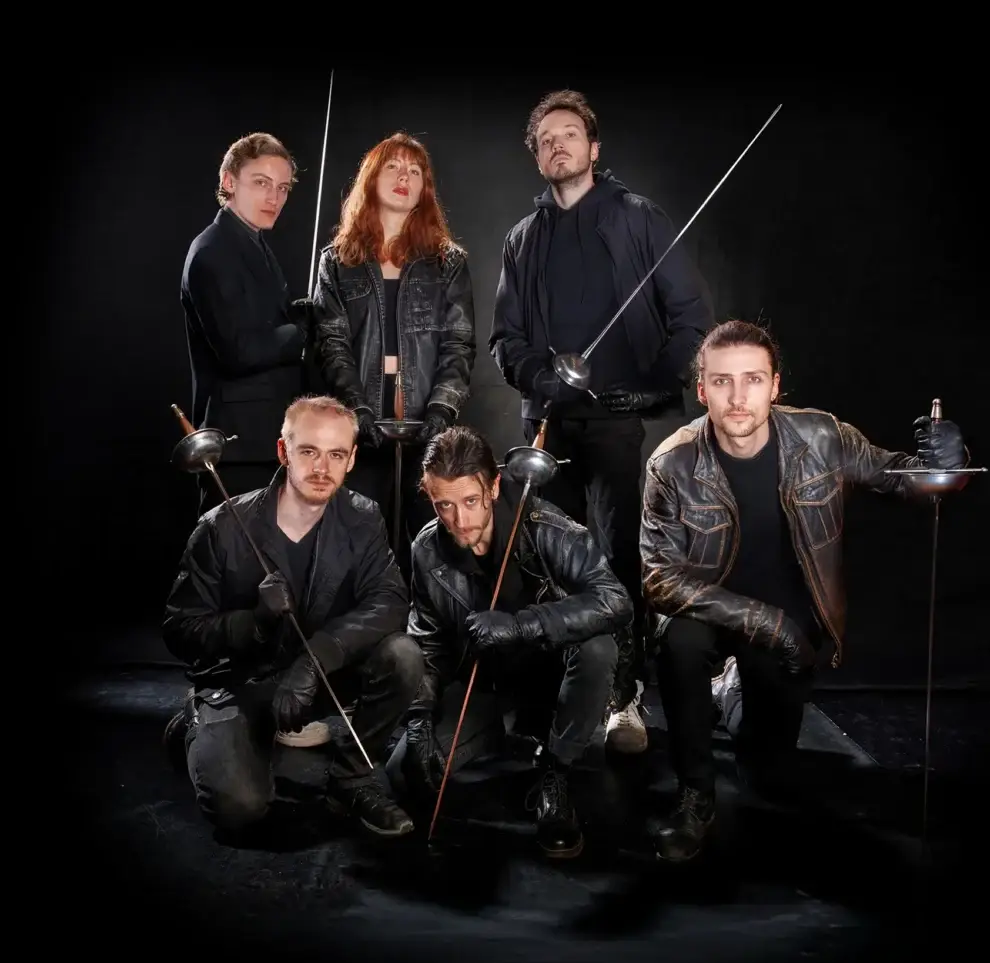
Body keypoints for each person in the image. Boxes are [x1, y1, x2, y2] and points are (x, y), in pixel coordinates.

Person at [639, 319, 969, 862]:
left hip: (792, 617)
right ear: (702, 391)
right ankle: (694, 795)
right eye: (722, 381)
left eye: (752, 379)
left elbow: (901, 477)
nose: (738, 397)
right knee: (680, 645)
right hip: (712, 611)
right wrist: (770, 625)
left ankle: (733, 697)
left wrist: (950, 466)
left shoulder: (822, 437)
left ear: (775, 386)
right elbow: (659, 580)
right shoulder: (671, 463)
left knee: (766, 776)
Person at [488, 89, 715, 756]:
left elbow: (691, 319)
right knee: (545, 560)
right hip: (548, 426)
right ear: (537, 159)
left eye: (569, 134)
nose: (557, 145)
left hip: (616, 425)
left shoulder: (638, 217)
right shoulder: (523, 239)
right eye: (545, 140)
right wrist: (541, 379)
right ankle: (553, 703)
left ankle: (623, 698)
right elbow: (505, 339)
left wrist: (650, 387)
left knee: (616, 558)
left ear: (592, 148)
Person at [161, 395, 424, 842]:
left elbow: (389, 601)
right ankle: (195, 720)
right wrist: (254, 622)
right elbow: (179, 629)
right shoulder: (221, 527)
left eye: (336, 454)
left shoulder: (362, 517)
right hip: (244, 682)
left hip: (317, 678)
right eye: (308, 451)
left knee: (403, 655)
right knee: (239, 809)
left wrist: (315, 659)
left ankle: (351, 779)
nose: (322, 467)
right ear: (283, 451)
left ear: (351, 459)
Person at [386, 425, 633, 860]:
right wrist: (420, 717)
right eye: (444, 505)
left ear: (494, 485)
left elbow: (615, 602)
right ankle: (504, 735)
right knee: (405, 775)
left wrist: (522, 625)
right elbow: (427, 641)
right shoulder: (427, 548)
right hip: (486, 684)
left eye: (470, 501)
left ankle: (556, 771)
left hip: (555, 680)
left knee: (598, 648)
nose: (459, 520)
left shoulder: (547, 527)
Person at [312, 131, 476, 575]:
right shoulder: (337, 262)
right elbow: (331, 343)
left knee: (431, 551)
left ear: (425, 188)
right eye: (393, 167)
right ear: (371, 179)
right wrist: (356, 408)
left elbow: (458, 344)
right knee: (357, 547)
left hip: (425, 426)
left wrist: (441, 410)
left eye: (415, 171)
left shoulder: (447, 262)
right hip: (359, 429)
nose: (405, 177)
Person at [181, 132, 308, 515]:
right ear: (229, 181)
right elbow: (241, 350)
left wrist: (298, 313)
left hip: (265, 438)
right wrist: (303, 331)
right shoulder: (212, 250)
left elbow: (262, 320)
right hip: (240, 446)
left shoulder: (252, 241)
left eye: (283, 188)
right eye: (261, 183)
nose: (274, 198)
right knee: (232, 550)